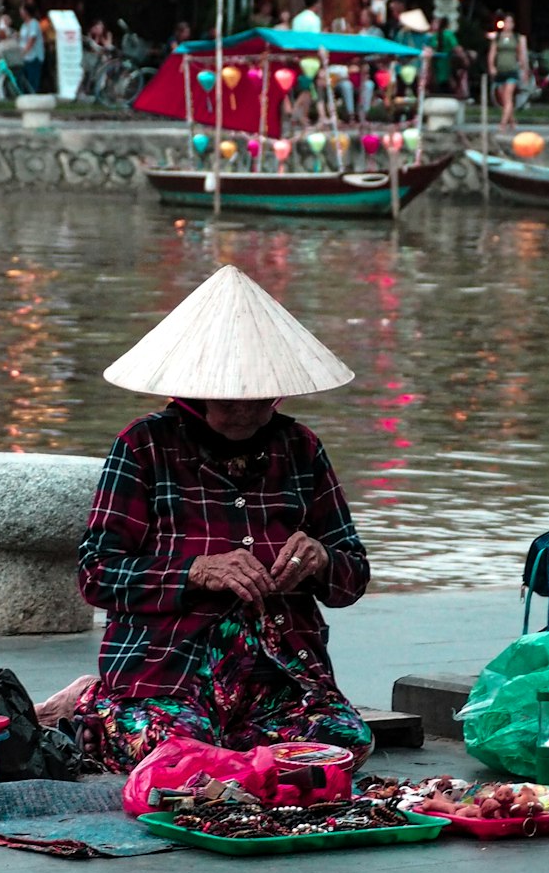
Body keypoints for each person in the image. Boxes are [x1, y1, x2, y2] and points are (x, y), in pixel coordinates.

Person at [35, 266, 373, 772]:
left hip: (279, 670)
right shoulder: (144, 446)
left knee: (340, 746)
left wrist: (322, 560)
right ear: (194, 391)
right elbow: (96, 573)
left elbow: (353, 577)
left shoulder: (300, 448)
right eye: (229, 398)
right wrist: (195, 571)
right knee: (172, 758)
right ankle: (91, 704)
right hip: (170, 665)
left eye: (259, 397)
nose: (245, 411)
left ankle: (223, 740)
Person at [486, 12, 529, 130]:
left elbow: (521, 54)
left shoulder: (516, 38)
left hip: (512, 69)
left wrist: (524, 69)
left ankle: (503, 124)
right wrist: (491, 66)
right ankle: (512, 121)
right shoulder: (498, 37)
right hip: (500, 70)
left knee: (508, 96)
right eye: (506, 22)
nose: (508, 24)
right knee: (503, 98)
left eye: (510, 22)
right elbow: (492, 53)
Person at [18, 0, 45, 92]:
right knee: (23, 79)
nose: (20, 13)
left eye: (21, 10)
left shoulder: (34, 23)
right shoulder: (24, 25)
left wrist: (24, 51)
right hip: (25, 57)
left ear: (26, 12)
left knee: (32, 79)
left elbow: (32, 39)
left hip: (33, 56)